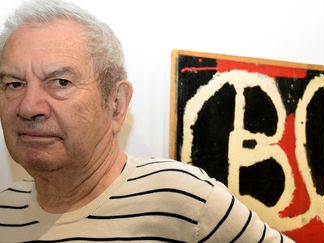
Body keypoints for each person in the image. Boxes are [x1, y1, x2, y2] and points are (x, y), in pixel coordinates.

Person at [0, 0, 294, 242]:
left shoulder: (184, 200)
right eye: (14, 84)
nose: (28, 107)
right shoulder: (5, 210)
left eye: (60, 82)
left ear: (116, 105)